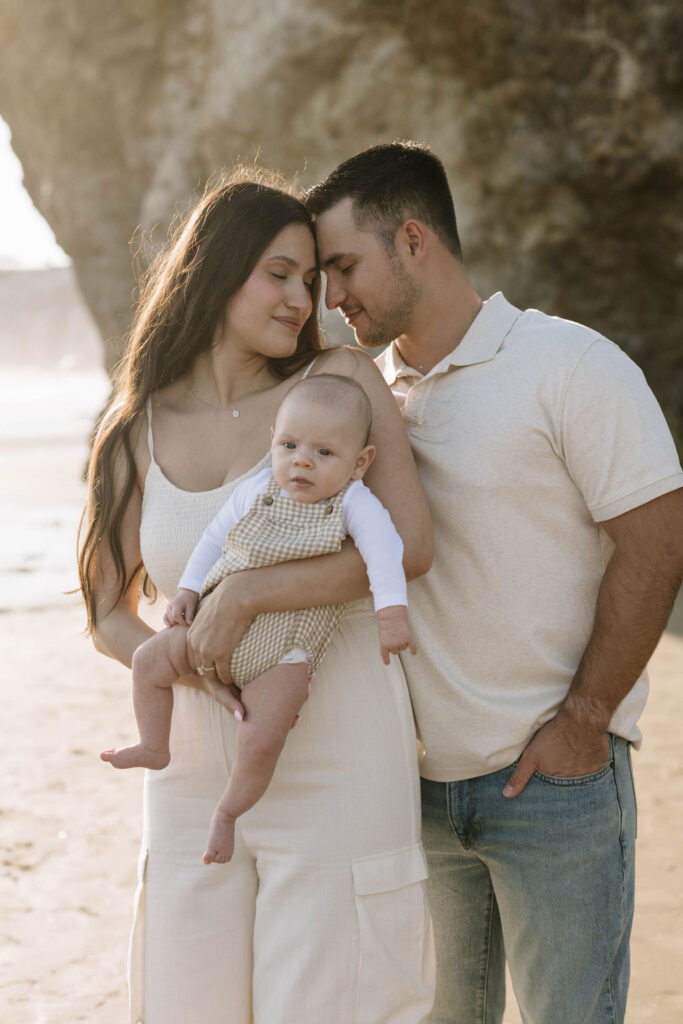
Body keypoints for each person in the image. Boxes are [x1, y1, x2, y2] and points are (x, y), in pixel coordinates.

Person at [304, 142, 683, 1024]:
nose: (331, 297)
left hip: (552, 784)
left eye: (343, 266)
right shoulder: (359, 401)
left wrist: (584, 721)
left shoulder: (569, 366)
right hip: (415, 795)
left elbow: (657, 544)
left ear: (411, 241)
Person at [78, 172, 435, 1023]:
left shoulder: (340, 382)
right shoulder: (138, 425)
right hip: (194, 775)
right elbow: (104, 613)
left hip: (339, 765)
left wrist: (248, 597)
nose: (299, 297)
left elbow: (410, 545)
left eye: (309, 279)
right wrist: (193, 668)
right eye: (277, 272)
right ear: (216, 267)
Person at [100, 373, 416, 866]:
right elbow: (212, 541)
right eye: (289, 445)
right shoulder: (256, 490)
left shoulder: (354, 504)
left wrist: (391, 615)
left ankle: (227, 812)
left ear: (361, 463)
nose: (302, 461)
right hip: (207, 626)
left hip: (284, 652)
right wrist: (186, 590)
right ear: (273, 441)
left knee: (264, 735)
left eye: (325, 453)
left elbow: (386, 555)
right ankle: (154, 744)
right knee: (148, 660)